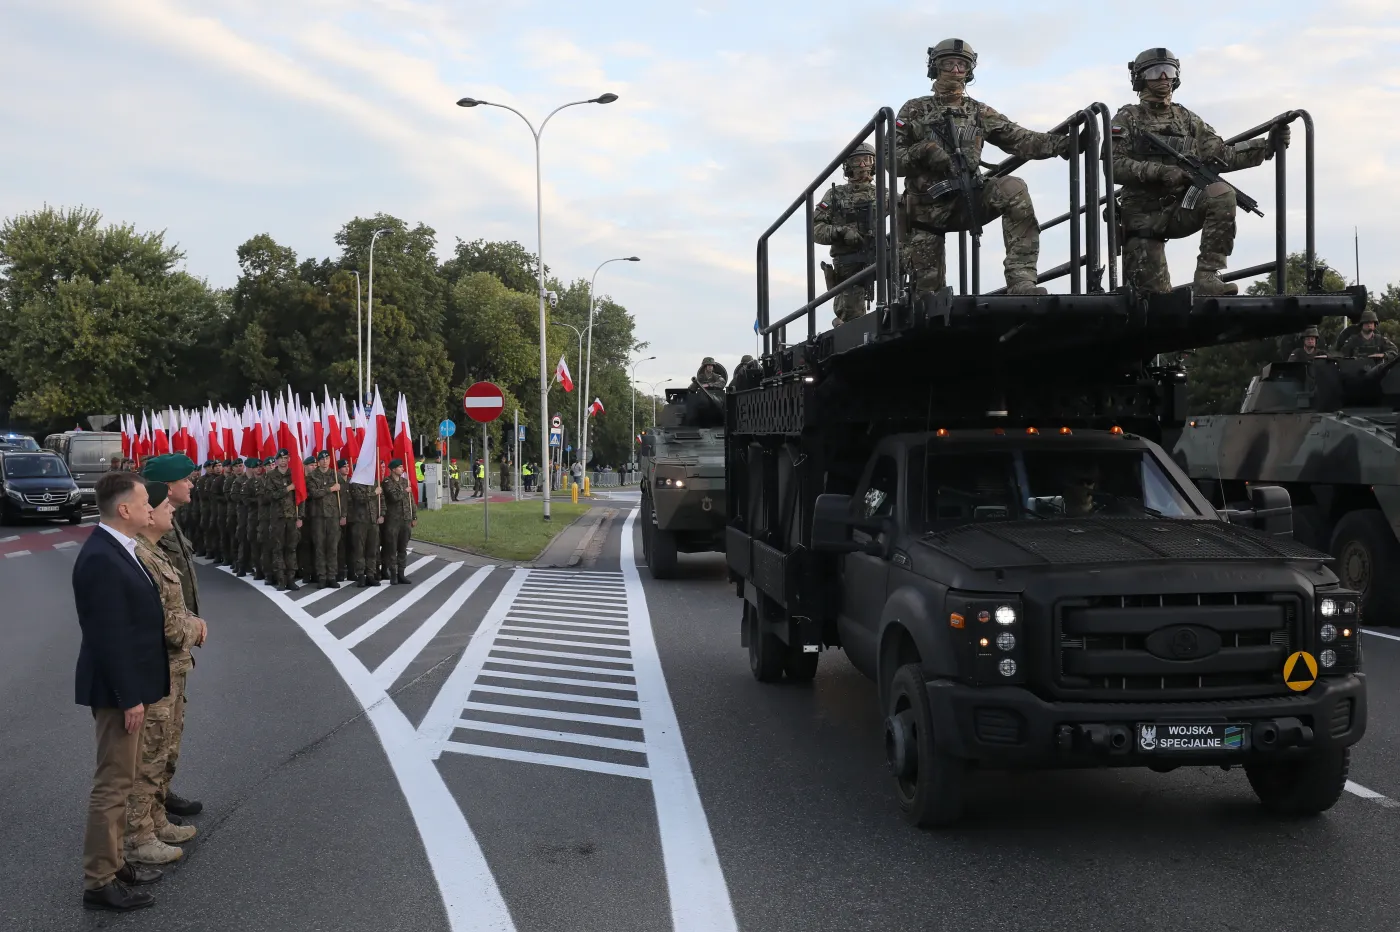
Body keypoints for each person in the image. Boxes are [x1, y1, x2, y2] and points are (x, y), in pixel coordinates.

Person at [896, 38, 1077, 297]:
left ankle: (1022, 281)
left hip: (968, 200)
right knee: (926, 296)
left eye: (962, 65)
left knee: (1014, 189)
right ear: (935, 67)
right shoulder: (914, 109)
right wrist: (923, 152)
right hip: (926, 213)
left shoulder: (978, 112)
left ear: (970, 71)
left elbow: (1021, 139)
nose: (956, 70)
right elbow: (892, 160)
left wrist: (1064, 144)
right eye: (949, 63)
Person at [1111, 47, 1286, 296]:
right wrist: (1159, 172)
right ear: (1140, 79)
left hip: (1178, 208)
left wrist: (1267, 146)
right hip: (1142, 216)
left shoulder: (1187, 119)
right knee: (1152, 301)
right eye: (1155, 72)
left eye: (1169, 71)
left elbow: (1222, 154)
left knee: (1222, 194)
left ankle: (1208, 275)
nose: (1163, 77)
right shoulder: (1127, 118)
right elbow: (1113, 165)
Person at [73, 471, 166, 911]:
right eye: (146, 500)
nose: (152, 507)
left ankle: (114, 862)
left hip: (128, 687)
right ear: (124, 509)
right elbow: (107, 636)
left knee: (123, 780)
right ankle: (98, 881)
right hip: (116, 692)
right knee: (112, 786)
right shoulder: (101, 558)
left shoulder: (118, 550)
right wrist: (129, 696)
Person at [125, 481, 205, 867]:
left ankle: (156, 820)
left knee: (166, 749)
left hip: (172, 670)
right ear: (147, 515)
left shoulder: (155, 552)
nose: (171, 510)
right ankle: (138, 837)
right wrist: (196, 628)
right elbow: (165, 625)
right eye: (163, 506)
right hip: (156, 670)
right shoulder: (141, 556)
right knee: (149, 756)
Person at [138, 453, 203, 822]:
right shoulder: (148, 535)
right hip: (165, 645)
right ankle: (148, 812)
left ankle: (160, 796)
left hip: (180, 639)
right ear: (166, 487)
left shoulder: (169, 522)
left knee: (171, 728)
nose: (191, 484)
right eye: (185, 479)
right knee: (157, 734)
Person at [814, 142, 882, 326]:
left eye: (867, 160)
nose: (862, 165)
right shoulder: (835, 195)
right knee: (852, 318)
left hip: (878, 256)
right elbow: (815, 229)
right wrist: (841, 232)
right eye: (857, 161)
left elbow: (905, 209)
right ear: (848, 166)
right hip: (848, 262)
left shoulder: (883, 193)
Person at [263, 449, 302, 591]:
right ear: (277, 460)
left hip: (292, 517)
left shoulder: (295, 474)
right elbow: (268, 496)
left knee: (291, 548)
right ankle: (280, 579)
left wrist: (300, 517)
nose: (283, 460)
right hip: (278, 518)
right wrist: (287, 489)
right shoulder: (271, 476)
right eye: (281, 458)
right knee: (278, 548)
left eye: (286, 458)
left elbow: (301, 497)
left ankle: (291, 579)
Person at [306, 450, 344, 589]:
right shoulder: (312, 476)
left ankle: (332, 576)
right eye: (322, 459)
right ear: (318, 461)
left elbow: (343, 496)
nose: (325, 461)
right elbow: (314, 493)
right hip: (318, 517)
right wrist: (331, 488)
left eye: (327, 458)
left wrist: (343, 514)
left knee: (332, 547)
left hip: (333, 516)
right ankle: (322, 577)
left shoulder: (335, 474)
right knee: (320, 548)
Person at [381, 458, 416, 585]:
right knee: (391, 548)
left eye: (402, 466)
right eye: (400, 467)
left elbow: (410, 501)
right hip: (393, 521)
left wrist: (414, 516)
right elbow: (394, 497)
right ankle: (393, 574)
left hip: (405, 519)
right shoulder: (387, 482)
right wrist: (404, 491)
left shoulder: (405, 482)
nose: (402, 469)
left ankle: (401, 573)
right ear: (393, 469)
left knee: (402, 547)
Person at [348, 471, 384, 588]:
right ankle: (361, 576)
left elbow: (382, 500)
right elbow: (359, 498)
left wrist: (382, 514)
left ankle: (370, 575)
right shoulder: (355, 483)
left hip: (373, 521)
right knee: (359, 550)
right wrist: (374, 492)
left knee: (372, 550)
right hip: (360, 521)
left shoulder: (375, 482)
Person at [336, 458, 353, 581]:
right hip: (340, 517)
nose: (347, 468)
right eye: (344, 466)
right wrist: (342, 516)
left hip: (352, 518)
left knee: (351, 545)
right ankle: (340, 572)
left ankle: (352, 572)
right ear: (339, 468)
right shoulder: (336, 482)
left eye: (348, 466)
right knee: (340, 546)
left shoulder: (352, 482)